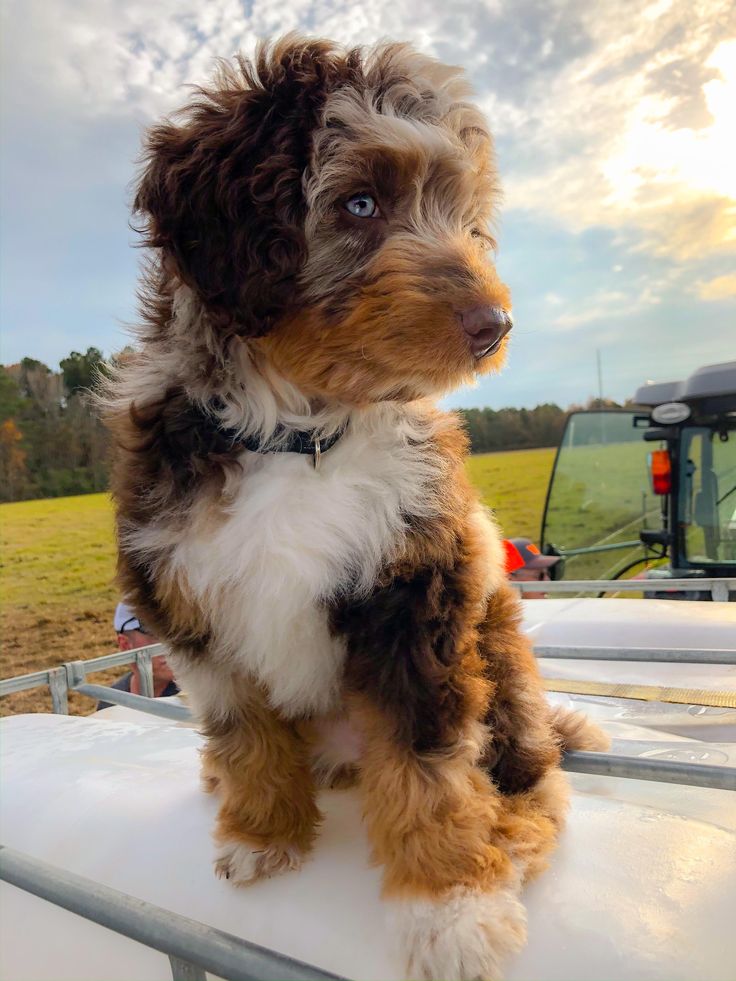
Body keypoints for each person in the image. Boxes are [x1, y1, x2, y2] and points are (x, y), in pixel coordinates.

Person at [96, 602, 179, 709]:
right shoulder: (111, 703)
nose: (169, 645)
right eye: (155, 635)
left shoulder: (196, 696)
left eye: (173, 633)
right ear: (125, 645)